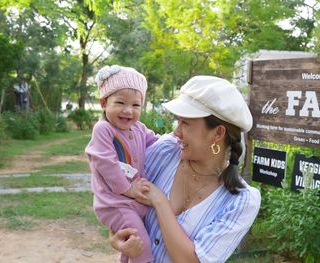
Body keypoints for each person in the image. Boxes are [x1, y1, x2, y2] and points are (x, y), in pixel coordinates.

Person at [109, 75, 261, 262]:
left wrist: (159, 201)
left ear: (218, 133)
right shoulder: (165, 152)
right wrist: (117, 235)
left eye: (186, 123)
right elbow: (120, 197)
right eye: (178, 121)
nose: (176, 132)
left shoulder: (241, 201)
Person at [85, 65, 158, 263]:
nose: (128, 110)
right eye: (120, 103)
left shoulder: (139, 128)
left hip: (132, 202)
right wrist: (129, 189)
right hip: (114, 203)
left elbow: (156, 142)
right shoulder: (104, 129)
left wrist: (176, 139)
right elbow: (105, 163)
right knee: (140, 242)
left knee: (130, 246)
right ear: (103, 103)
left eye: (136, 105)